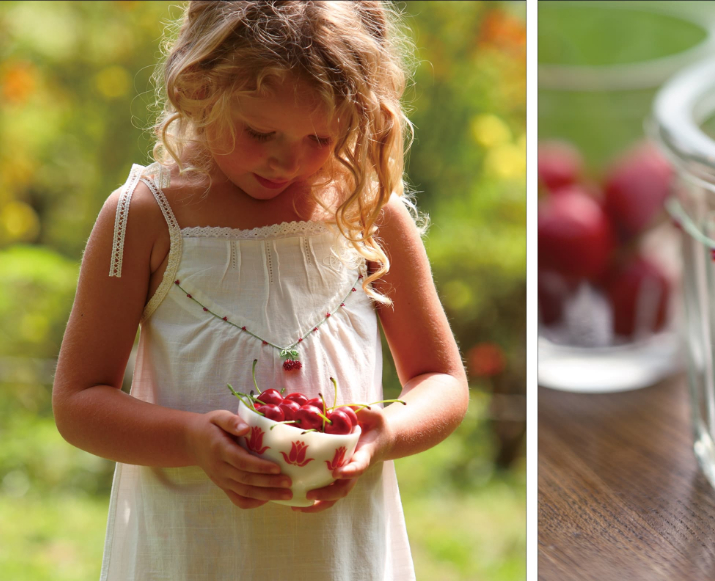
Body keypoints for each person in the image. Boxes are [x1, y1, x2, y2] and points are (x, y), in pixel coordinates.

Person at [51, 2, 469, 579]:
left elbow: (441, 380)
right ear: (200, 88)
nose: (287, 159)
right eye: (260, 132)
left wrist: (388, 429)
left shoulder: (368, 213)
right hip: (195, 554)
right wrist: (193, 441)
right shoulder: (145, 215)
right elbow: (78, 403)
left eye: (320, 136)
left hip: (337, 554)